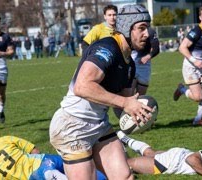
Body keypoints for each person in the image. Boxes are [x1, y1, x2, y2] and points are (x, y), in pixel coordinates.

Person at [49, 4, 153, 180]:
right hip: (72, 125)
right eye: (141, 28)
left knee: (125, 177)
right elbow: (82, 86)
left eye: (148, 28)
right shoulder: (107, 48)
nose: (147, 34)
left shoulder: (130, 64)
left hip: (99, 125)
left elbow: (123, 105)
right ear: (127, 28)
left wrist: (138, 113)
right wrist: (126, 103)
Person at [0, 122, 107, 180]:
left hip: (31, 178)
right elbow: (34, 150)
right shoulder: (4, 140)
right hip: (43, 162)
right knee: (81, 167)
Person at [117, 130, 202, 178]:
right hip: (172, 163)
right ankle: (116, 143)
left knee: (151, 153)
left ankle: (125, 139)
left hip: (180, 155)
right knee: (127, 164)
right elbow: (192, 159)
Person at [173, 5, 202, 126]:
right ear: (200, 17)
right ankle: (182, 89)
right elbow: (182, 48)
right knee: (198, 97)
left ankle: (197, 119)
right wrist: (194, 60)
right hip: (191, 66)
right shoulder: (195, 32)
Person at [130, 26, 160, 96]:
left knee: (141, 95)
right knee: (129, 93)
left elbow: (156, 49)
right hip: (131, 61)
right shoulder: (129, 28)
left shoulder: (150, 31)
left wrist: (147, 57)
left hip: (144, 64)